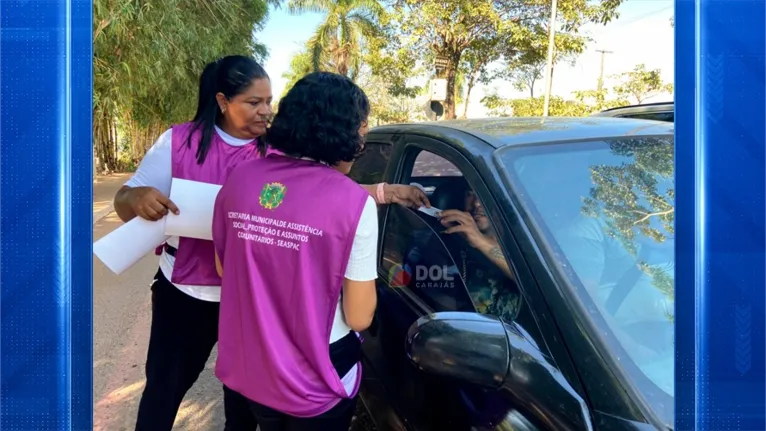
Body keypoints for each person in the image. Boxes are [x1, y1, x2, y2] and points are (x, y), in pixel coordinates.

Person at [113, 56, 427, 431]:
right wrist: (135, 199)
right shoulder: (180, 142)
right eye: (254, 102)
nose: (266, 112)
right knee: (165, 386)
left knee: (244, 399)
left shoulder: (267, 155)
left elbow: (320, 194)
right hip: (189, 292)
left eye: (270, 102)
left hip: (247, 299)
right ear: (222, 101)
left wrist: (383, 192)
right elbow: (124, 198)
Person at [211, 71, 378, 431]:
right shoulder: (353, 202)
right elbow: (360, 317)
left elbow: (224, 269)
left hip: (252, 363)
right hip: (315, 371)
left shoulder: (240, 179)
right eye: (361, 126)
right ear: (344, 131)